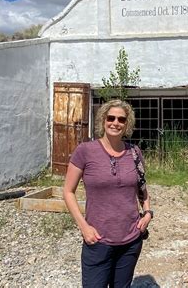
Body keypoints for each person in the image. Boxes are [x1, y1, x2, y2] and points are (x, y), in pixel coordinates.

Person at [63, 99, 153, 288]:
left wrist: (148, 213)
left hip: (130, 241)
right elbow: (68, 191)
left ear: (127, 124)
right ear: (103, 120)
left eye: (121, 119)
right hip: (97, 240)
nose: (115, 123)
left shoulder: (134, 153)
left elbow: (143, 188)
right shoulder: (85, 151)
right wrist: (84, 227)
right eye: (111, 118)